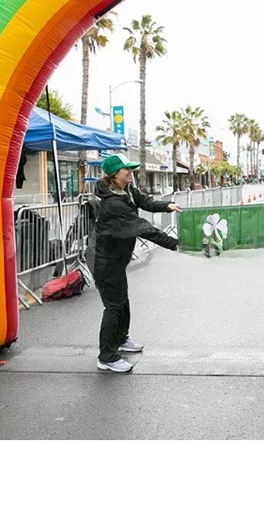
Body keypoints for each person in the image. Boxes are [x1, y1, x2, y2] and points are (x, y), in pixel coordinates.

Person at [89, 153, 183, 373]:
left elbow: (145, 201)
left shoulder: (127, 190)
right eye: (126, 170)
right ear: (114, 175)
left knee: (122, 300)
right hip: (105, 260)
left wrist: (167, 205)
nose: (130, 172)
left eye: (130, 169)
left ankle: (121, 340)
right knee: (113, 306)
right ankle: (107, 357)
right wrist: (174, 243)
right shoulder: (112, 204)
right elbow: (143, 227)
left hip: (116, 259)